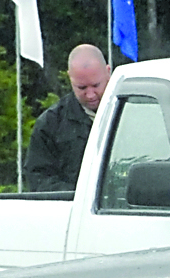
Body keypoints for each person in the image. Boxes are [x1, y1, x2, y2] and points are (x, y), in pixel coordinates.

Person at [25, 43, 112, 195]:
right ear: (70, 78)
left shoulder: (132, 113)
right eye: (82, 88)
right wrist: (80, 197)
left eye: (96, 85)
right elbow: (38, 179)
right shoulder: (50, 125)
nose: (90, 95)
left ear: (108, 72)